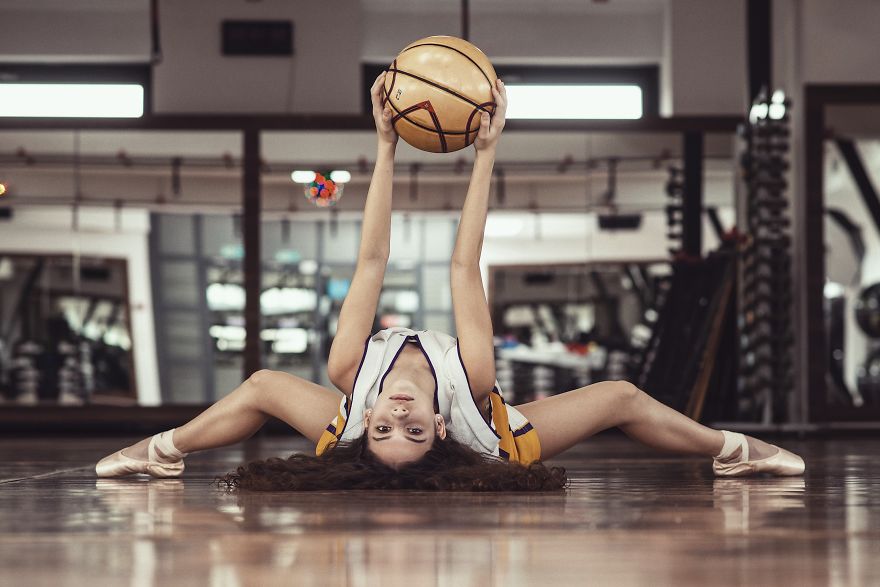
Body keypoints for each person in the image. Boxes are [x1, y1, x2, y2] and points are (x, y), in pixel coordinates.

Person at [96, 75, 805, 491]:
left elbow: (369, 260)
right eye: (410, 428)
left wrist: (384, 141)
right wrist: (488, 150)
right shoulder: (472, 384)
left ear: (364, 421)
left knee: (257, 384)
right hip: (499, 435)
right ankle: (733, 451)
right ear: (439, 428)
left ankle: (160, 452)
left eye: (385, 426)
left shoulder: (353, 381)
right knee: (619, 394)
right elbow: (464, 265)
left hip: (352, 406)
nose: (397, 412)